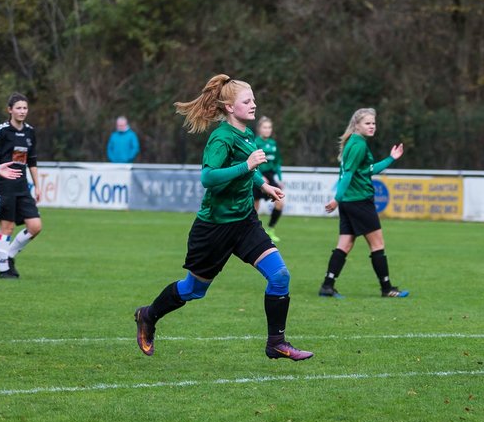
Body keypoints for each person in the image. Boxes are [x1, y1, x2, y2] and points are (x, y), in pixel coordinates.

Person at [132, 74, 312, 360]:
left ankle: (276, 343)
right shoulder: (221, 138)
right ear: (229, 107)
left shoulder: (247, 135)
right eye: (247, 100)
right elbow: (209, 177)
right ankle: (148, 315)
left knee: (280, 276)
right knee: (193, 289)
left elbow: (247, 173)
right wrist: (247, 165)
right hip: (214, 228)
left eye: (254, 99)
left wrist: (263, 186)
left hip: (244, 224)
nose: (254, 104)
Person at [318, 108, 409, 298]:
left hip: (350, 203)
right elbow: (348, 174)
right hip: (359, 201)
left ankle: (327, 285)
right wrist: (336, 199)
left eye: (374, 123)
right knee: (377, 245)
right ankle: (387, 288)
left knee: (345, 244)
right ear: (357, 124)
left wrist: (391, 158)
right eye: (368, 123)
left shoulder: (354, 142)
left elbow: (367, 170)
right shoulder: (358, 145)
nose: (372, 126)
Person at [0, 93, 43, 279]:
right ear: (10, 110)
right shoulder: (1, 131)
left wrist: (37, 186)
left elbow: (33, 161)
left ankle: (9, 255)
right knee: (7, 227)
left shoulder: (30, 131)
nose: (22, 111)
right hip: (4, 186)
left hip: (22, 187)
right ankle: (4, 270)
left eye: (25, 108)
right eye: (18, 108)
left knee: (35, 226)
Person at [253, 116, 285, 243]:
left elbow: (277, 163)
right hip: (257, 175)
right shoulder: (255, 142)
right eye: (265, 127)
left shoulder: (273, 144)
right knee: (255, 206)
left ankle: (271, 229)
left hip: (270, 176)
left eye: (269, 127)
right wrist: (260, 176)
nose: (267, 130)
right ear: (259, 129)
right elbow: (254, 161)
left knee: (280, 203)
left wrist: (280, 179)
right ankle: (253, 232)